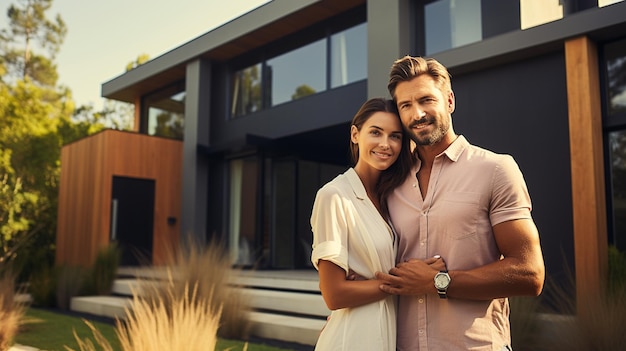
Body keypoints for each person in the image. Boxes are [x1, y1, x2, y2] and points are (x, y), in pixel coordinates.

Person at [375, 56, 546, 351]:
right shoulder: (391, 183)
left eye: (426, 100)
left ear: (450, 100)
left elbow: (530, 273)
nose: (417, 114)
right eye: (405, 105)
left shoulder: (495, 169)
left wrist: (439, 281)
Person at [310, 97, 414, 350]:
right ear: (355, 134)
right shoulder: (334, 195)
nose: (385, 144)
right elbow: (333, 294)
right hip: (352, 337)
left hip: (387, 331)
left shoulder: (393, 197)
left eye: (395, 136)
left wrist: (370, 283)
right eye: (375, 132)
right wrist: (403, 284)